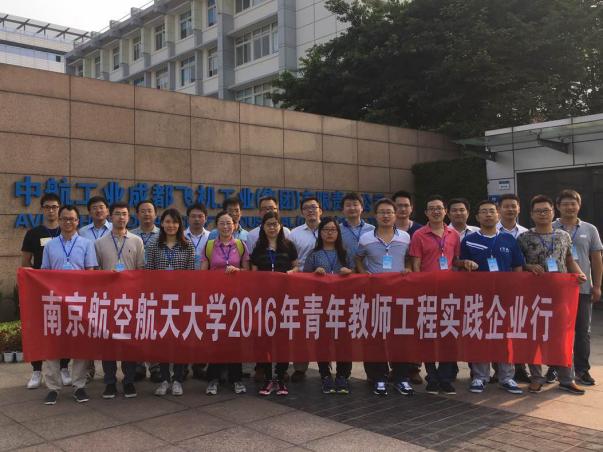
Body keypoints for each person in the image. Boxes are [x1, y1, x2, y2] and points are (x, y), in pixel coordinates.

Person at [517, 195, 587, 395]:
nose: (542, 214)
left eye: (546, 210)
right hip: (534, 296)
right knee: (534, 337)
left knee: (562, 337)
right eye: (538, 211)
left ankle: (566, 379)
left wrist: (579, 273)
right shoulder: (523, 238)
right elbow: (518, 265)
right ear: (531, 215)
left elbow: (569, 259)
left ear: (553, 212)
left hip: (560, 295)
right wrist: (528, 266)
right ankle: (536, 378)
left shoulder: (563, 236)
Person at [459, 200, 525, 395]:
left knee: (505, 337)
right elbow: (460, 266)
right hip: (478, 298)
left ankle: (507, 377)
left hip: (504, 298)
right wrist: (465, 263)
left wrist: (516, 290)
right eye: (484, 212)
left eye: (491, 211)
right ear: (477, 217)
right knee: (479, 336)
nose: (488, 215)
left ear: (498, 215)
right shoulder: (469, 240)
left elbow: (517, 267)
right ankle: (480, 377)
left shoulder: (508, 240)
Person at [409, 195, 470, 395]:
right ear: (426, 213)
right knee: (428, 335)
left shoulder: (454, 234)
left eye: (439, 208)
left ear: (445, 212)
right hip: (426, 293)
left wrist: (465, 263)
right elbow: (416, 265)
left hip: (448, 293)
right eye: (431, 208)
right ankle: (432, 376)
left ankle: (445, 377)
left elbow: (455, 261)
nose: (436, 211)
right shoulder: (419, 235)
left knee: (448, 335)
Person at [40, 205, 97, 405]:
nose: (68, 222)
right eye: (64, 219)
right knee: (53, 344)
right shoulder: (50, 246)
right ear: (59, 220)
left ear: (77, 221)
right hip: (55, 302)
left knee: (79, 344)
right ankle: (53, 387)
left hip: (78, 301)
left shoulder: (86, 244)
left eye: (72, 219)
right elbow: (44, 273)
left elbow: (90, 273)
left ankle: (79, 385)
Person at [356, 198, 413, 396]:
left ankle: (401, 377)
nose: (386, 216)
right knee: (376, 337)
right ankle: (378, 377)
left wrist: (407, 268)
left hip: (399, 295)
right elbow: (358, 258)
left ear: (395, 215)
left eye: (389, 212)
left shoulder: (405, 237)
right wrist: (363, 272)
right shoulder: (366, 238)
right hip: (375, 295)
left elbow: (409, 258)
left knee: (400, 337)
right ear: (375, 215)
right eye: (382, 212)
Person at [20, 193, 71, 389]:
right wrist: (34, 280)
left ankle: (64, 367)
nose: (51, 210)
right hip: (40, 289)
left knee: (64, 327)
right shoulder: (33, 233)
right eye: (47, 207)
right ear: (42, 209)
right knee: (39, 328)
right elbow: (26, 262)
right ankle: (36, 370)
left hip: (64, 289)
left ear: (59, 209)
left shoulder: (66, 232)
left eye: (54, 207)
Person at [95, 202, 145, 399]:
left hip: (130, 300)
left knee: (128, 342)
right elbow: (96, 271)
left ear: (129, 218)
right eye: (117, 214)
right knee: (108, 343)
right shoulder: (99, 243)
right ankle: (109, 382)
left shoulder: (137, 241)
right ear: (110, 217)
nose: (121, 217)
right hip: (108, 300)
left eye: (124, 214)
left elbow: (141, 270)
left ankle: (129, 381)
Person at [553, 189, 603, 386]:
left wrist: (597, 285)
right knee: (556, 330)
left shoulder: (590, 229)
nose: (569, 207)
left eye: (573, 204)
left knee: (583, 331)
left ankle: (582, 370)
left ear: (579, 206)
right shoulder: (550, 227)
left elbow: (597, 259)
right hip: (555, 290)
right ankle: (554, 368)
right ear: (558, 207)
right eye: (565, 204)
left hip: (582, 289)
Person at [145, 208, 195, 397]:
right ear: (162, 223)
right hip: (160, 300)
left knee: (180, 340)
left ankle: (178, 379)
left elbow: (191, 274)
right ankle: (165, 379)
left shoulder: (187, 245)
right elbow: (149, 273)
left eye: (174, 222)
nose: (171, 225)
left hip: (181, 300)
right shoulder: (153, 245)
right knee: (163, 340)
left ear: (179, 224)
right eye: (167, 221)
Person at [303, 217, 354, 394]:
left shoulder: (345, 253)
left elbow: (357, 276)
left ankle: (343, 376)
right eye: (326, 229)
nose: (330, 233)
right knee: (323, 340)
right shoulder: (314, 254)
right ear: (320, 233)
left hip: (343, 303)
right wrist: (314, 274)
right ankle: (325, 375)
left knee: (344, 341)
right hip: (321, 303)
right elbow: (304, 278)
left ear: (338, 233)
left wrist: (350, 272)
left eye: (333, 229)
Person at [202, 211, 250, 395]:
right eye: (222, 223)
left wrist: (238, 271)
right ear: (217, 226)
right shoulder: (209, 246)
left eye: (229, 223)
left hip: (235, 299)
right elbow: (202, 274)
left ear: (235, 226)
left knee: (234, 338)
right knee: (216, 338)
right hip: (215, 299)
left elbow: (249, 272)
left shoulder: (241, 245)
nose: (226, 226)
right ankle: (213, 379)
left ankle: (236, 378)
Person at [250, 211, 298, 396]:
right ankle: (268, 378)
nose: (272, 227)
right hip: (263, 301)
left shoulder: (288, 246)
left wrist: (290, 274)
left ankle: (280, 377)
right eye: (268, 224)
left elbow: (296, 266)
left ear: (280, 226)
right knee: (265, 339)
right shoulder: (258, 248)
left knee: (283, 339)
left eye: (275, 224)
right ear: (263, 227)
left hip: (284, 299)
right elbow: (253, 273)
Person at [496, 193, 530, 383]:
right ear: (499, 209)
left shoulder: (526, 233)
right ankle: (498, 370)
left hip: (519, 289)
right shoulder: (491, 230)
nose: (510, 209)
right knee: (497, 329)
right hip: (496, 290)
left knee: (519, 328)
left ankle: (520, 368)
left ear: (519, 209)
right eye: (506, 206)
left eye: (513, 206)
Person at [288, 197, 323, 381]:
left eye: (314, 207)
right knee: (302, 328)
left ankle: (325, 369)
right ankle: (300, 368)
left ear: (320, 210)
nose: (311, 211)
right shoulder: (294, 234)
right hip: (301, 286)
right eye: (306, 208)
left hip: (326, 285)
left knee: (324, 326)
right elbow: (291, 260)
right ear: (302, 212)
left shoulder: (330, 229)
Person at [392, 190, 423, 384]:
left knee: (414, 328)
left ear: (411, 208)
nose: (402, 209)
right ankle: (395, 367)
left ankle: (414, 368)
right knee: (394, 328)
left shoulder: (420, 230)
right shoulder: (384, 228)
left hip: (415, 288)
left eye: (406, 205)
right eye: (398, 206)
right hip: (391, 288)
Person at [129, 199, 161, 382]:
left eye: (150, 210)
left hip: (157, 288)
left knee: (154, 326)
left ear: (155, 214)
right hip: (136, 287)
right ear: (137, 214)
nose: (146, 214)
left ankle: (155, 366)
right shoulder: (131, 235)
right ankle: (138, 365)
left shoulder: (163, 234)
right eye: (143, 211)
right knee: (137, 326)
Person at [339, 192, 374, 260]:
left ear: (362, 208)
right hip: (345, 266)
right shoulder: (338, 229)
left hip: (366, 266)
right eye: (348, 205)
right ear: (343, 209)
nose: (352, 208)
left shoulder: (372, 229)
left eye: (355, 205)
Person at [184, 203, 210, 270]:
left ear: (206, 219)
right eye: (193, 216)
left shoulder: (210, 237)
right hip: (184, 273)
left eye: (200, 216)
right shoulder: (182, 236)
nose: (197, 219)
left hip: (205, 273)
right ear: (188, 218)